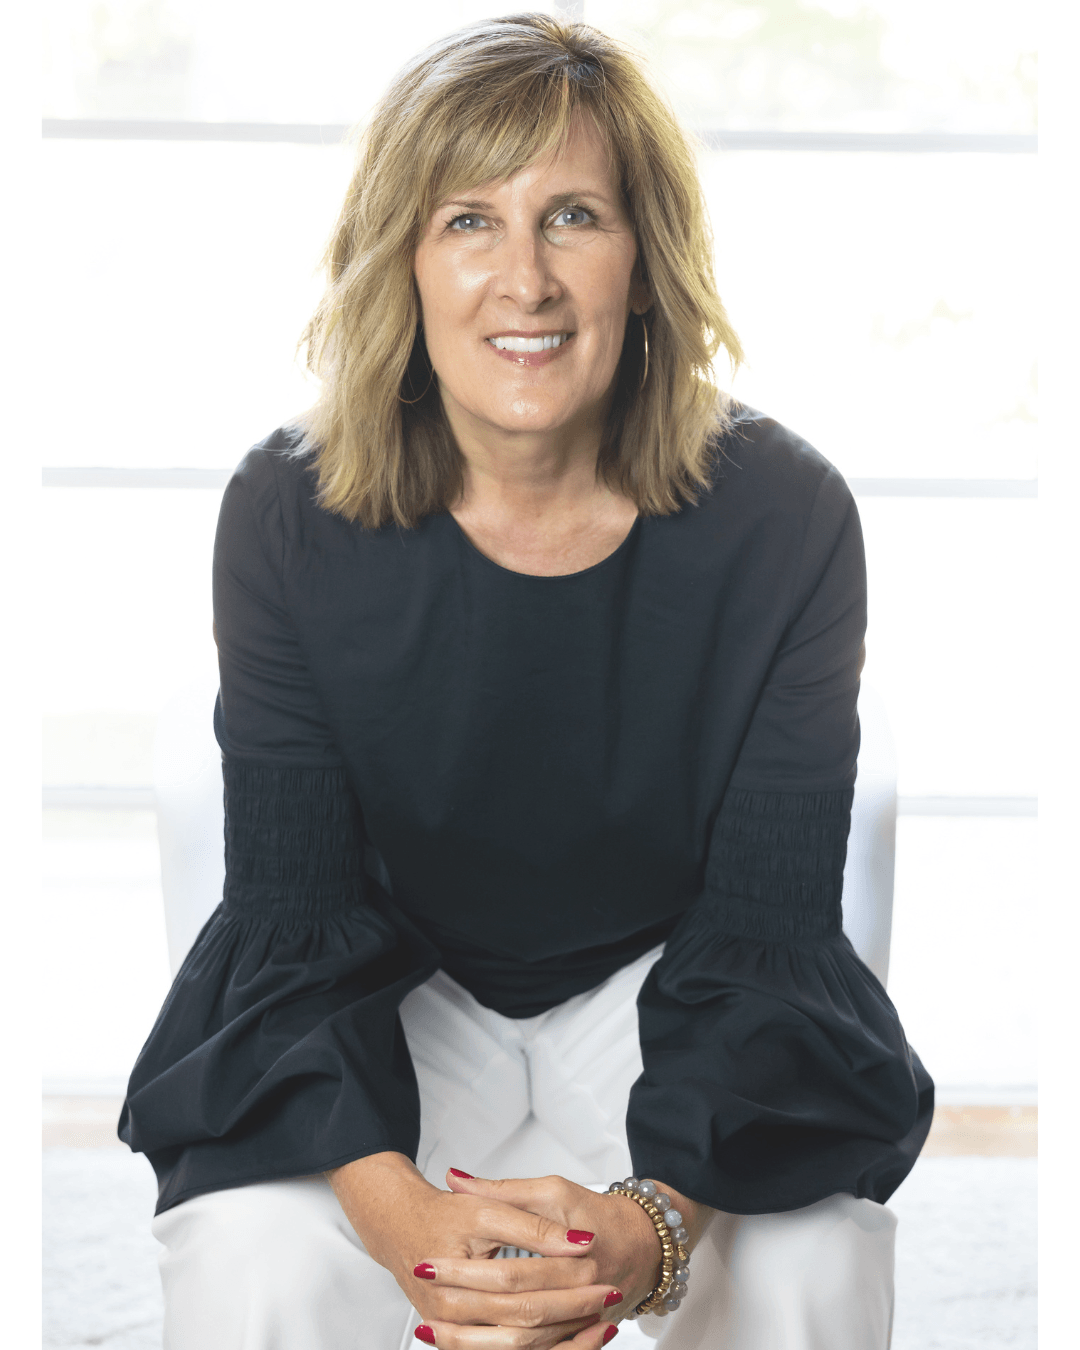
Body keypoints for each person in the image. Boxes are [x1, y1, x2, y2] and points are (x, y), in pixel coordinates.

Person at [120, 14, 933, 1350]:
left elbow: (769, 928)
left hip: (668, 978)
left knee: (810, 1248)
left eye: (572, 217)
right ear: (403, 261)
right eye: (468, 222)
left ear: (645, 258)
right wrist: (407, 1227)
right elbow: (295, 915)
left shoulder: (787, 516)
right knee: (250, 1248)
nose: (525, 280)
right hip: (397, 987)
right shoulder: (285, 512)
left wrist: (651, 1228)